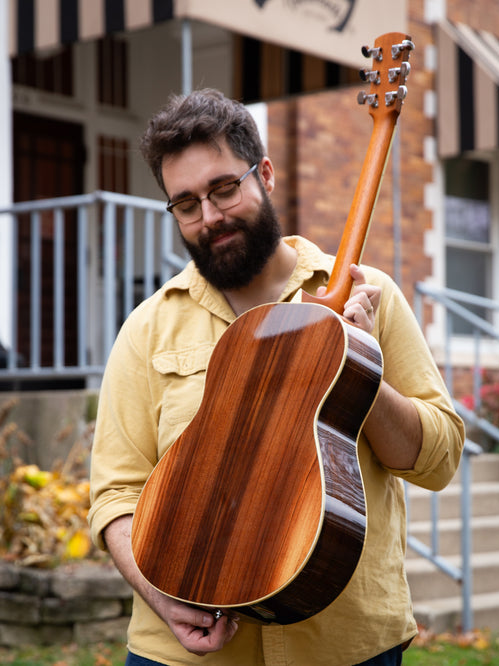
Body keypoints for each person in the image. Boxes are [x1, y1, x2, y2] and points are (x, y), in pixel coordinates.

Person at [88, 88, 464, 666]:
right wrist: (162, 599)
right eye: (186, 204)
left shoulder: (370, 298)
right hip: (184, 655)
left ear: (263, 173)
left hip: (344, 646)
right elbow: (116, 492)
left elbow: (438, 460)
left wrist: (357, 367)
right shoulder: (147, 329)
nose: (209, 217)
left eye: (223, 188)